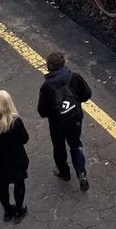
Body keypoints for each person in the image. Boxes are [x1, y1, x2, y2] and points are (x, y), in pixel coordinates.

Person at [37, 52, 92, 190]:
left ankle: (64, 172)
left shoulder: (46, 87)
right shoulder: (75, 77)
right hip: (75, 118)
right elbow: (87, 94)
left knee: (59, 148)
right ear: (63, 63)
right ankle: (81, 173)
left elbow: (42, 112)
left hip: (57, 124)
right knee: (75, 144)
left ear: (48, 67)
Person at [0, 90, 29, 222]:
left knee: (2, 186)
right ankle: (19, 210)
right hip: (16, 160)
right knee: (19, 184)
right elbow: (25, 139)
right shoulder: (16, 122)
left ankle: (7, 211)